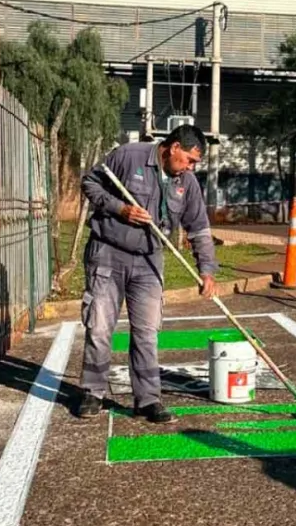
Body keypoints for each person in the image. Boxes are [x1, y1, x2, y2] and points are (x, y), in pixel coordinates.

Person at [76, 125, 218, 424]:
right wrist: (120, 209)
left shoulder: (187, 182)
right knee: (99, 327)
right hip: (108, 253)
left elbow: (199, 229)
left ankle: (148, 399)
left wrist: (207, 271)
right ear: (174, 147)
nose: (191, 167)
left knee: (147, 332)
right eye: (189, 160)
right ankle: (92, 392)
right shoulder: (129, 156)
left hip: (149, 261)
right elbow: (90, 182)